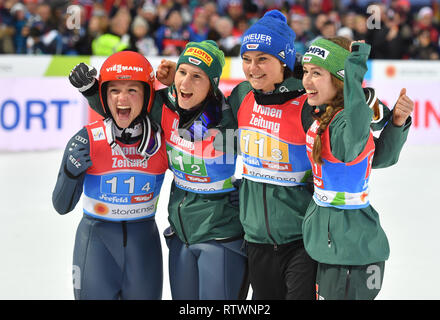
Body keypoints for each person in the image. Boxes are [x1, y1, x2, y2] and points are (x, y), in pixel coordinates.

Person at [214, 10, 412, 300]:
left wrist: (388, 116)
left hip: (302, 240)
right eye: (246, 59)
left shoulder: (307, 103)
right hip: (256, 239)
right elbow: (219, 136)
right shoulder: (242, 94)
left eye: (262, 59)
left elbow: (362, 135)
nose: (252, 68)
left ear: (283, 61)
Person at [69, 40, 247, 300]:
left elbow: (267, 152)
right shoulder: (166, 110)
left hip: (220, 231)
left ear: (213, 82)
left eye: (197, 76)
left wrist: (249, 188)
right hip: (180, 231)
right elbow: (125, 110)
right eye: (183, 73)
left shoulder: (228, 119)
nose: (185, 83)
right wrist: (91, 90)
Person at [301, 37, 413, 299]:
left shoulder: (346, 123)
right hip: (331, 242)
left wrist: (354, 72)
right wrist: (394, 123)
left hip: (351, 250)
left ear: (339, 80)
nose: (307, 81)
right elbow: (378, 157)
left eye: (317, 73)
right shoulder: (328, 115)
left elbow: (352, 146)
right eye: (306, 72)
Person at [52, 51, 168, 299]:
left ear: (148, 95)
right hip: (95, 245)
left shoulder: (162, 141)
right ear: (103, 95)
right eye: (114, 90)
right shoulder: (87, 139)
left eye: (132, 90)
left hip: (144, 247)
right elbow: (61, 206)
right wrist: (70, 175)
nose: (122, 98)